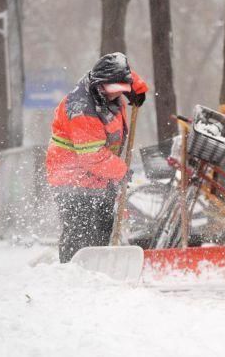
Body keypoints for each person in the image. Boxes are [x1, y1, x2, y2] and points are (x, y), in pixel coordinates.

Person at [46, 52, 148, 263]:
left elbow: (124, 72)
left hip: (101, 176)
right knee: (80, 232)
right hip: (71, 178)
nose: (116, 95)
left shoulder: (108, 81)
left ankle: (97, 271)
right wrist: (121, 171)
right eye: (113, 91)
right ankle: (71, 270)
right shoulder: (82, 109)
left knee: (103, 226)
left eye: (122, 90)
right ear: (100, 85)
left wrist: (137, 90)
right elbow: (92, 157)